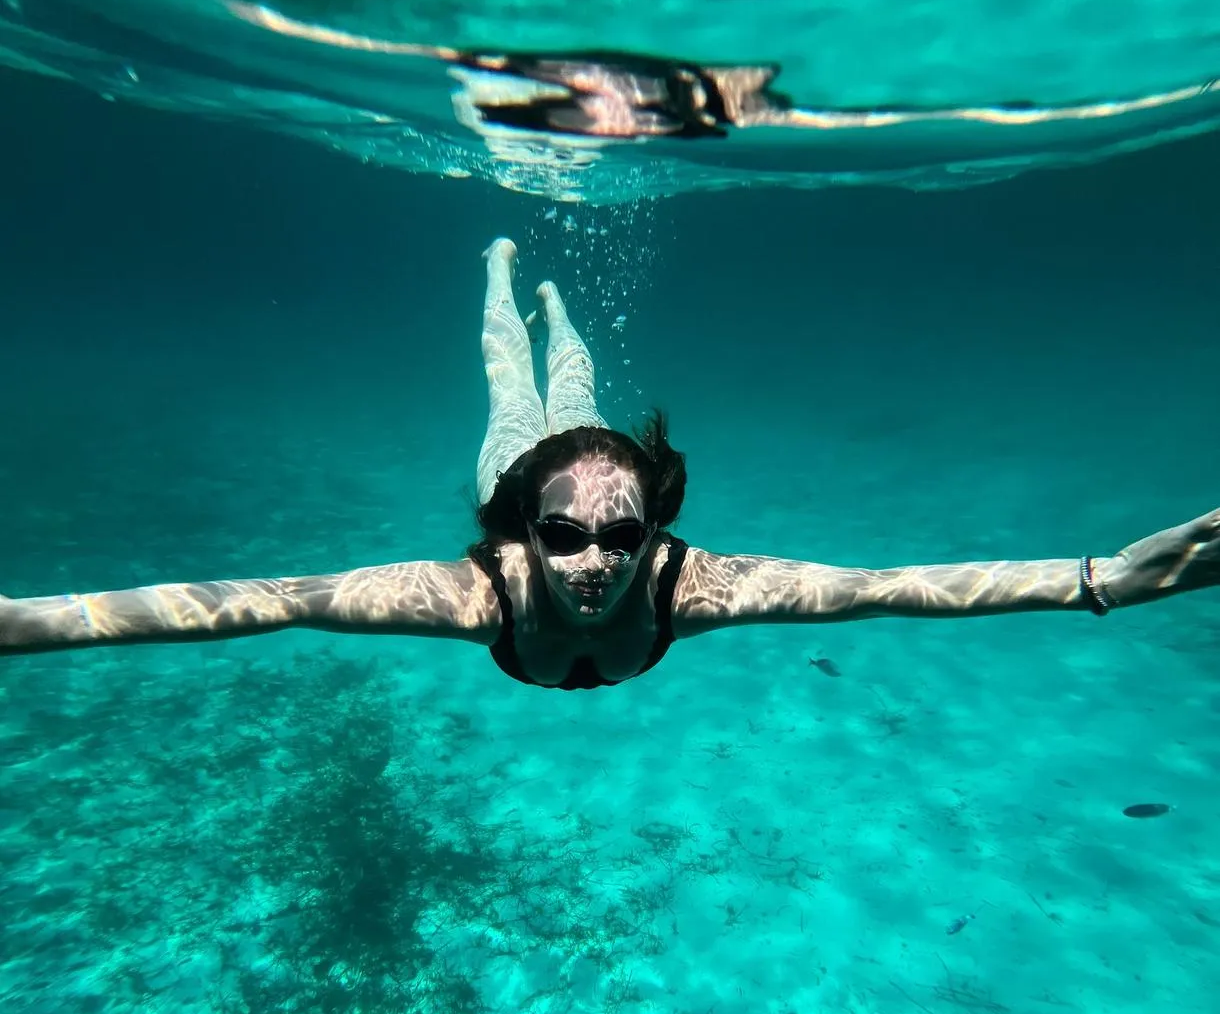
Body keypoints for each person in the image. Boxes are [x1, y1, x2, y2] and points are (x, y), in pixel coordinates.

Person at [2, 237, 1218, 681]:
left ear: (657, 529)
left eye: (619, 536)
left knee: (572, 376)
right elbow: (247, 606)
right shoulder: (480, 585)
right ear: (520, 531)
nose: (592, 563)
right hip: (522, 453)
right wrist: (24, 623)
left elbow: (892, 586)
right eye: (565, 535)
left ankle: (556, 299)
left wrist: (1102, 577)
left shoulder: (700, 587)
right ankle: (497, 279)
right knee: (513, 386)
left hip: (575, 449)